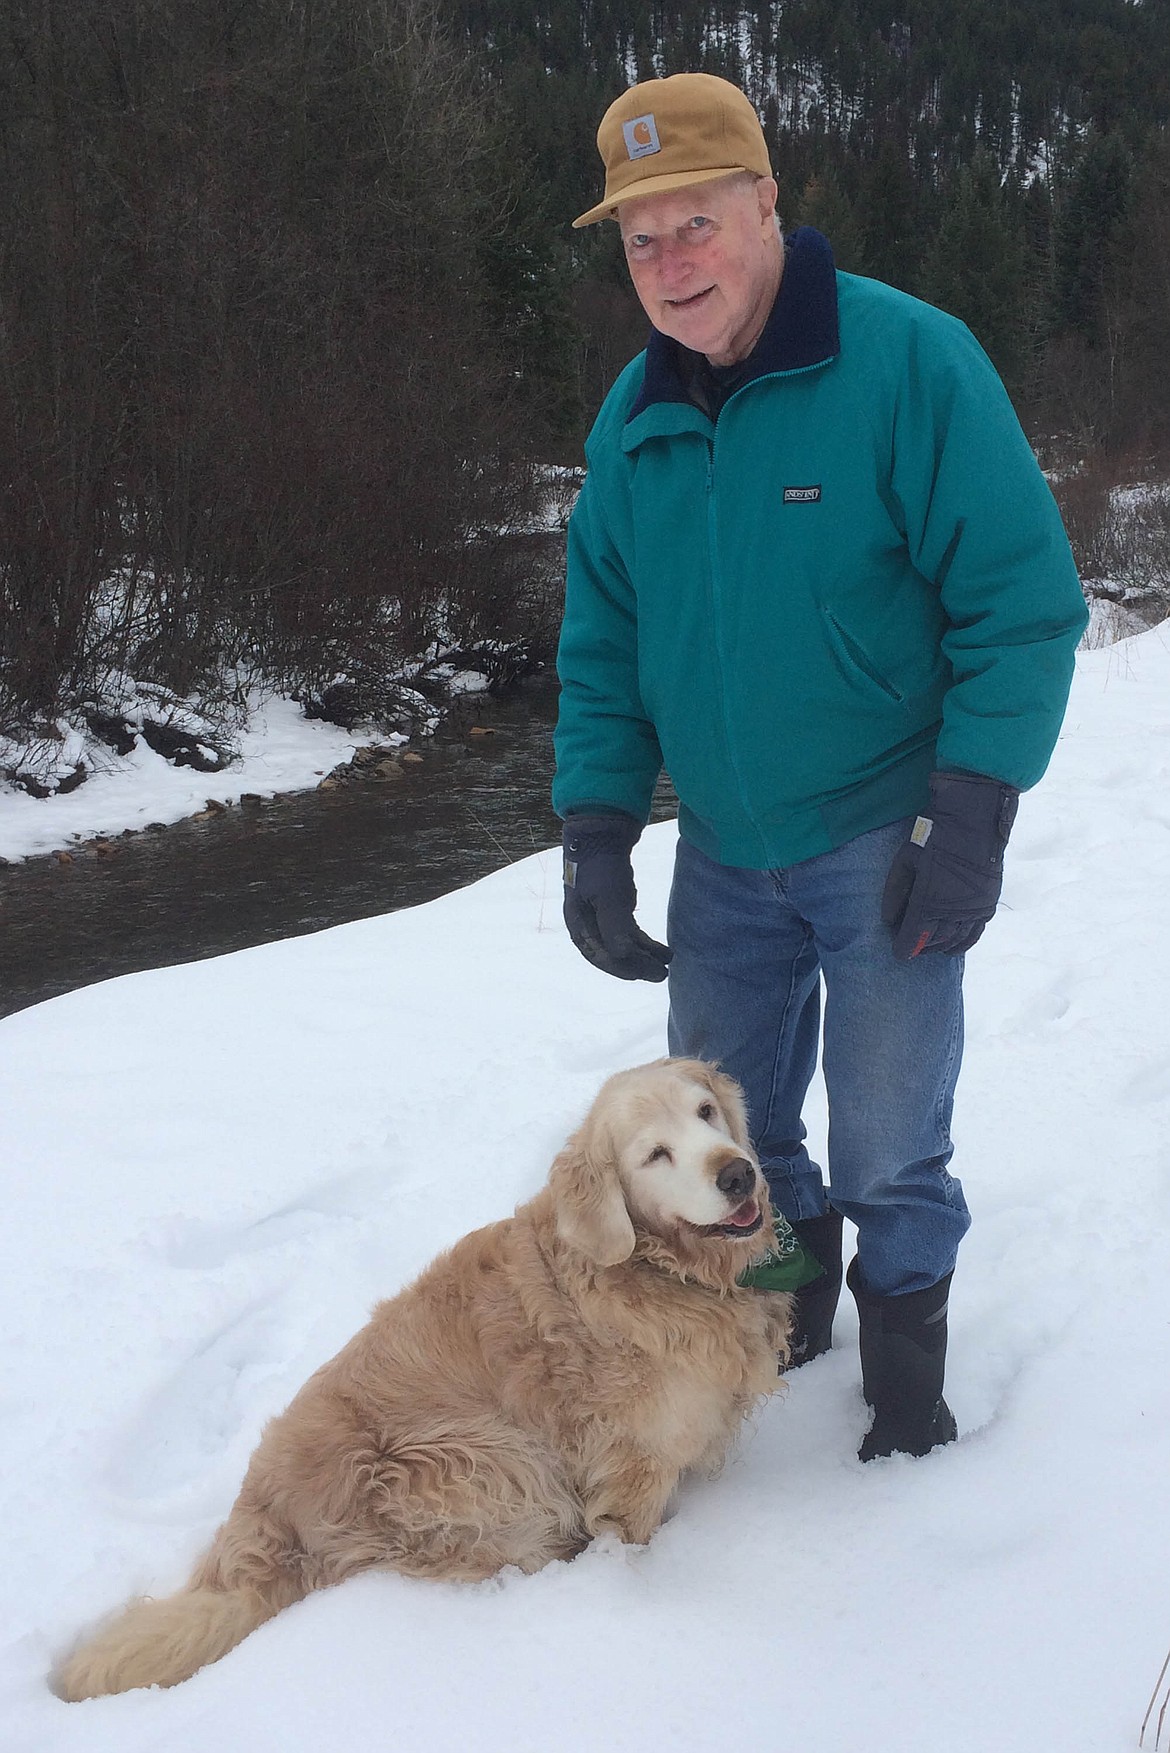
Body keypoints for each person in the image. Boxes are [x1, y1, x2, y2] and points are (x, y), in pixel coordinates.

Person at [552, 72, 1088, 1461]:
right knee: (744, 1138)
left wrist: (966, 814)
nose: (670, 266)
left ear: (765, 204)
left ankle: (905, 1398)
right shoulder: (632, 418)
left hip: (879, 833)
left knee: (887, 1148)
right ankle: (787, 1321)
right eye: (640, 241)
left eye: (695, 225)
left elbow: (1020, 601)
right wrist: (599, 825)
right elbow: (605, 639)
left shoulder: (907, 363)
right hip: (723, 843)